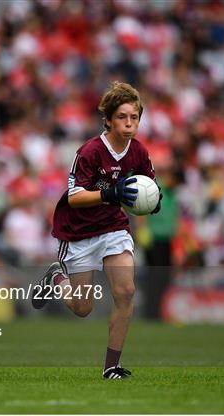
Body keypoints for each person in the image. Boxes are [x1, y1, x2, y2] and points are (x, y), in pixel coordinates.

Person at [31, 81, 161, 379]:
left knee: (126, 291)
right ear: (108, 120)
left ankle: (111, 367)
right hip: (80, 233)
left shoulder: (139, 152)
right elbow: (75, 198)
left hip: (114, 228)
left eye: (135, 117)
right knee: (82, 307)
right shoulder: (89, 152)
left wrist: (153, 201)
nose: (129, 124)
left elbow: (148, 187)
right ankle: (56, 278)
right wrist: (110, 194)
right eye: (122, 117)